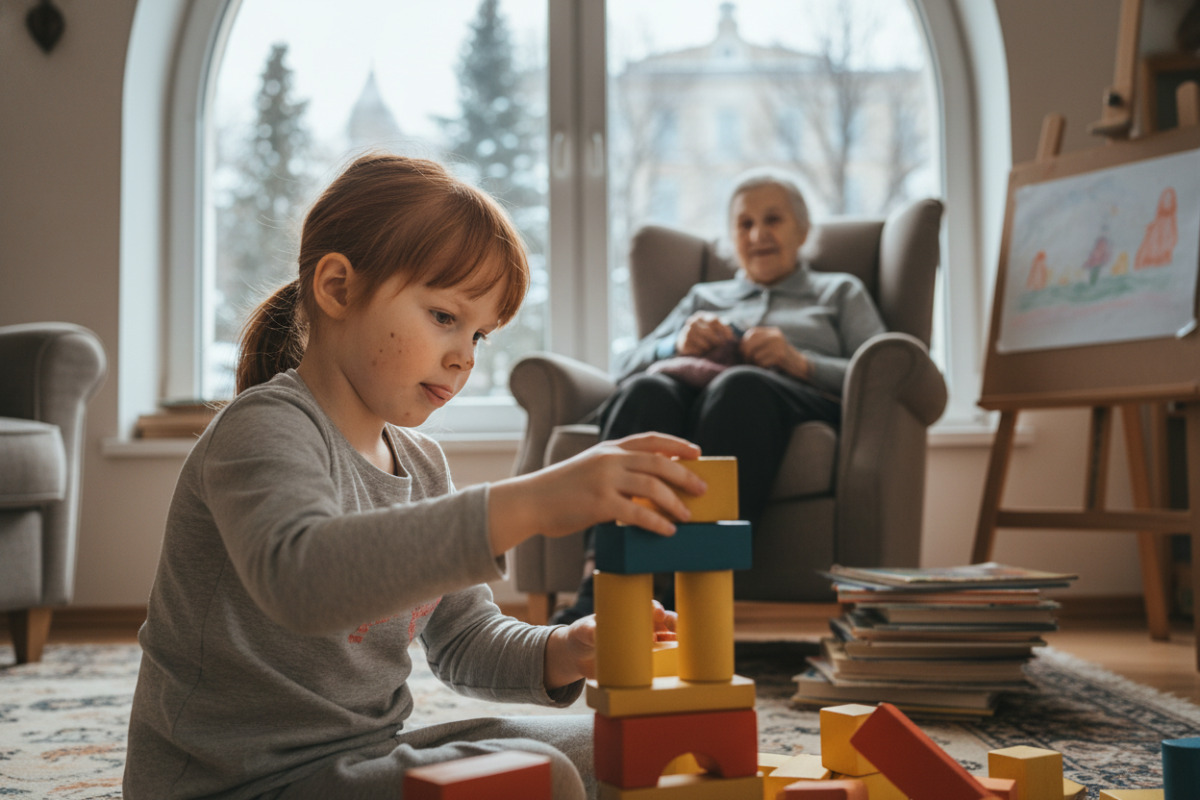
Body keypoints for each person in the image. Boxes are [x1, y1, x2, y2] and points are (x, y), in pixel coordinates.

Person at [123, 154, 702, 800]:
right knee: (543, 784)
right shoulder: (261, 429)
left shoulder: (421, 463)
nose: (463, 358)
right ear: (338, 288)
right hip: (231, 785)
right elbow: (303, 579)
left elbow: (466, 638)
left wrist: (565, 648)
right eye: (445, 317)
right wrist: (535, 500)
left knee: (618, 751)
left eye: (480, 336)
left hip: (362, 755)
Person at [552, 168, 886, 624]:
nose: (758, 234)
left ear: (803, 230)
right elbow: (625, 368)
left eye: (773, 220)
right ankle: (602, 589)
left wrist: (799, 360)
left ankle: (694, 588)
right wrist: (677, 345)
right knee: (647, 389)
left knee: (739, 385)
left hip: (784, 399)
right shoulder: (703, 297)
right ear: (731, 237)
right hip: (687, 396)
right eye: (744, 224)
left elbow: (882, 375)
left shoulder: (840, 292)